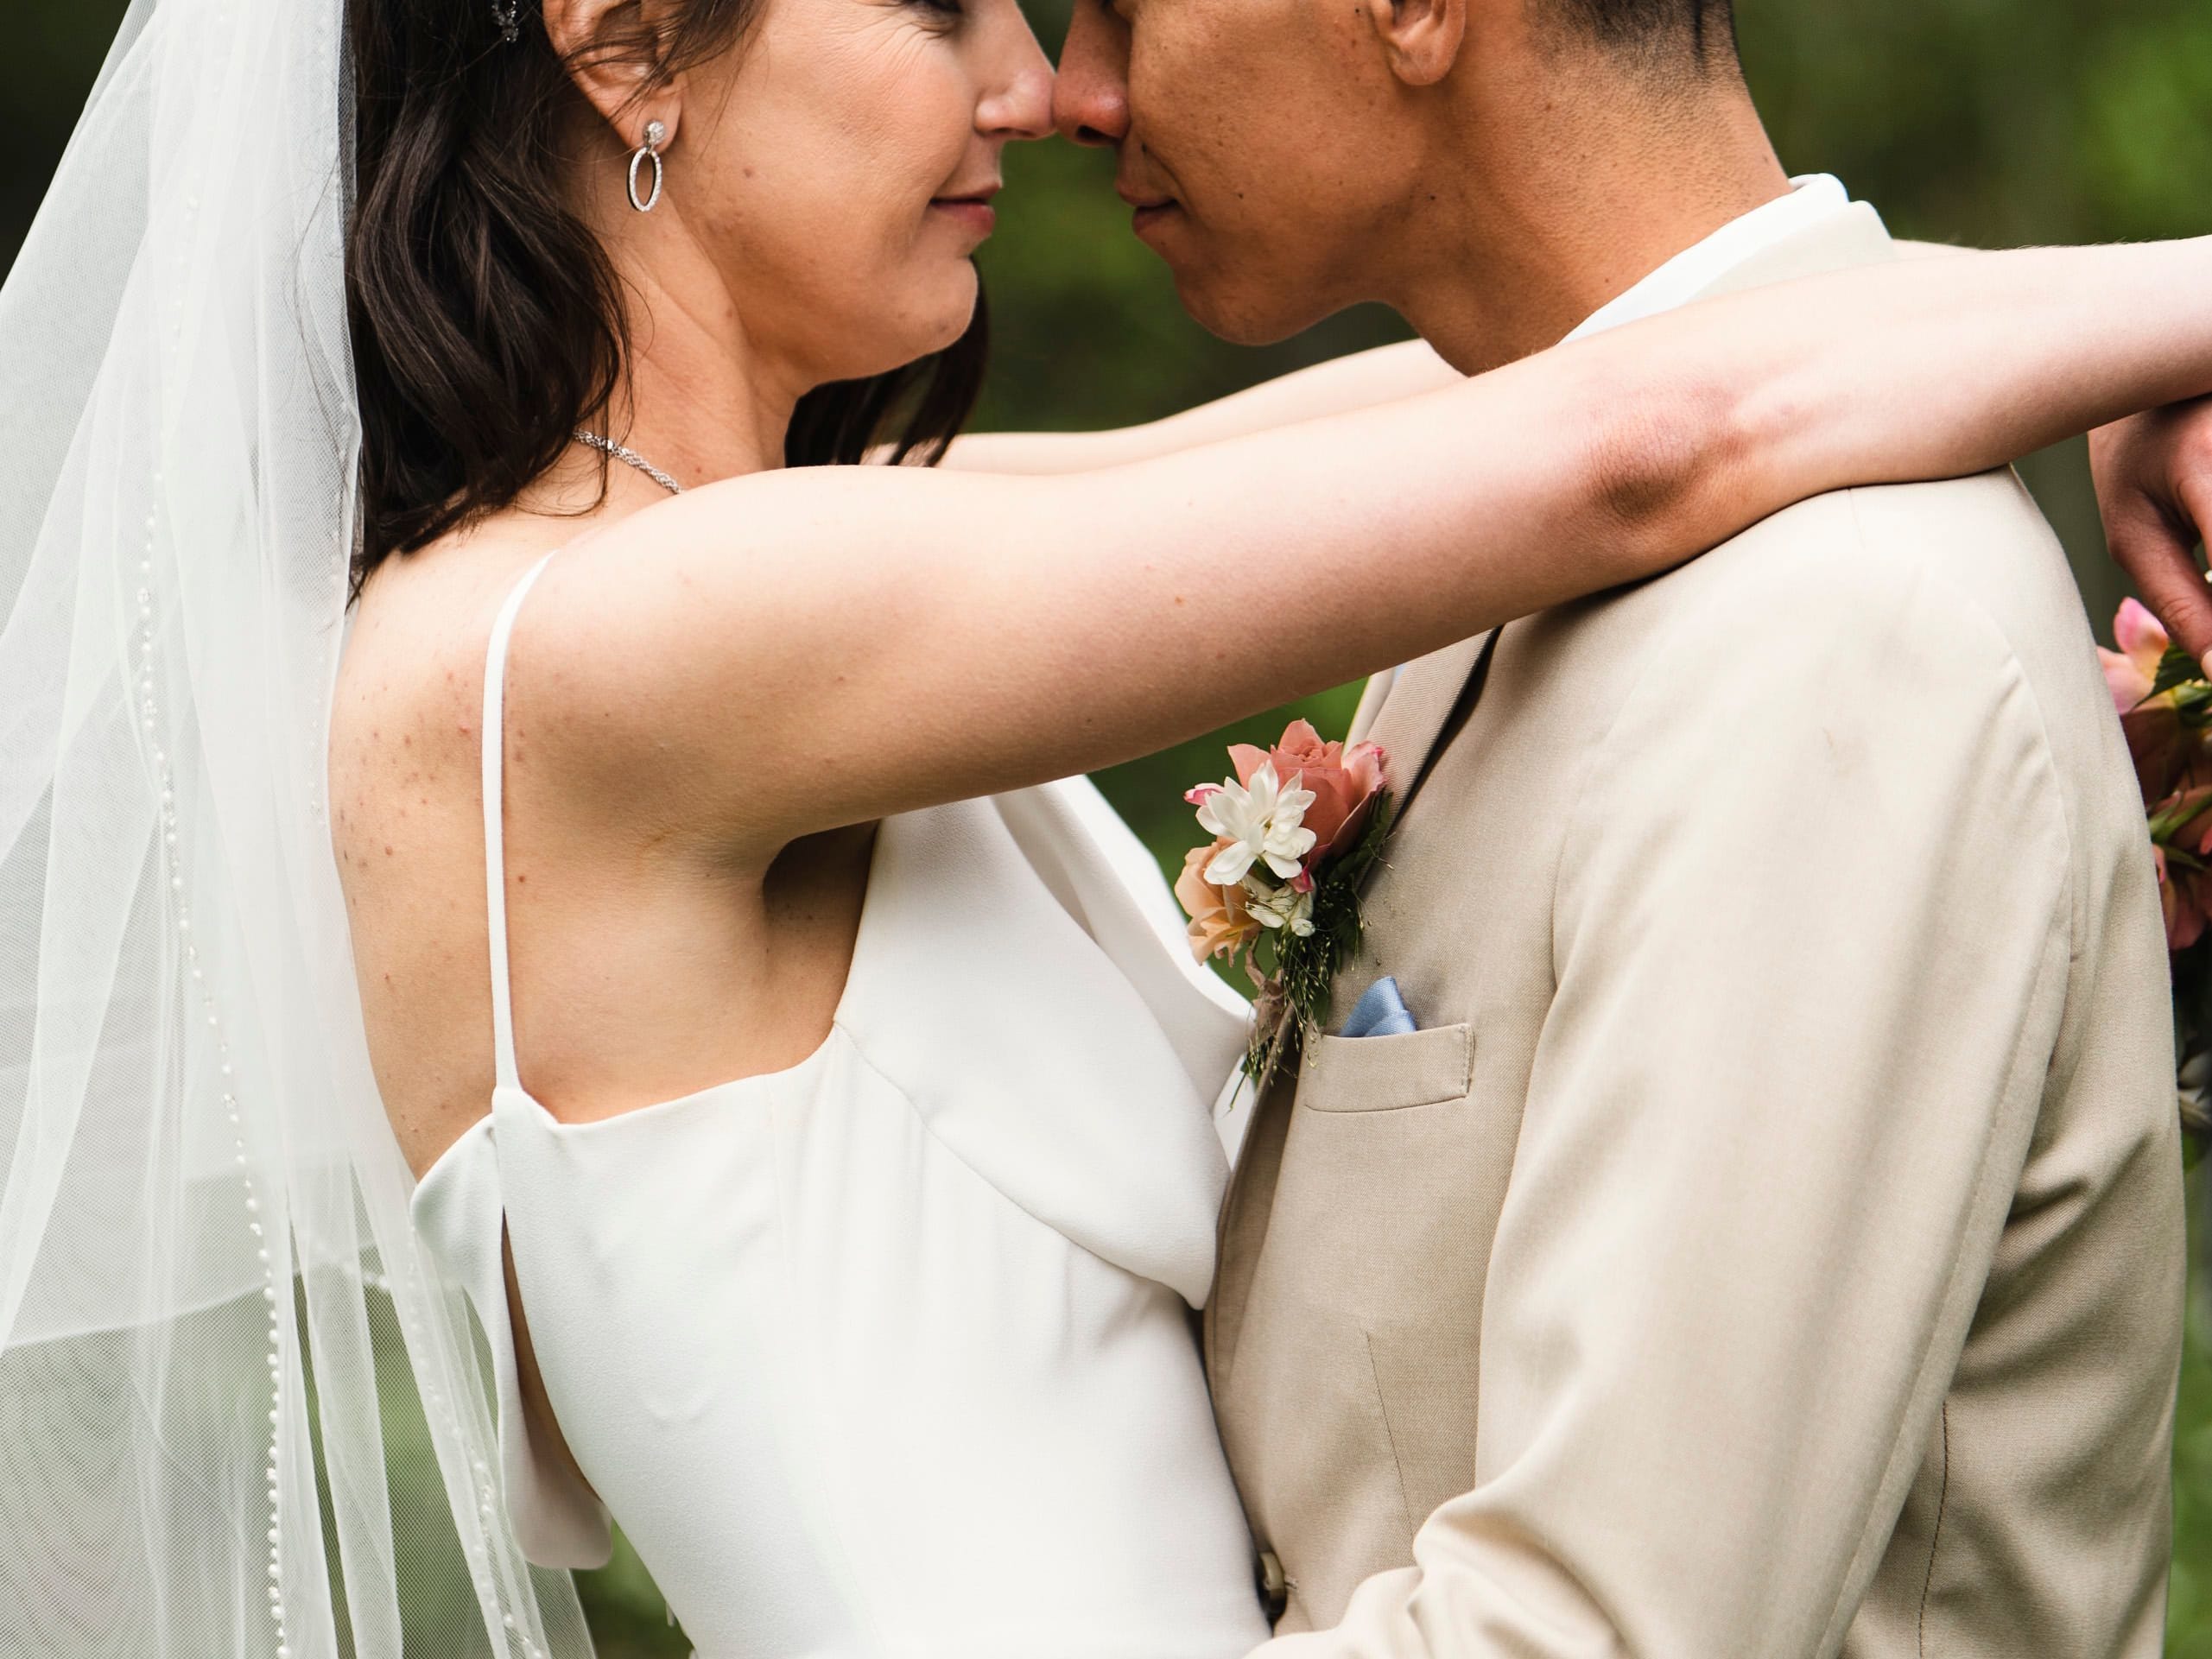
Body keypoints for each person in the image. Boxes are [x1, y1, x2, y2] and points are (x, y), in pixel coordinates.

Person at [3, 2, 2212, 1657]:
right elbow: (1626, 450)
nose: (1031, 82)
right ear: (616, 37)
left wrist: (2072, 336)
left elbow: (1529, 400)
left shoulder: (743, 575)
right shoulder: (592, 658)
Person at [1042, 0, 2198, 1653]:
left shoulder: (1834, 632)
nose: (1077, 94)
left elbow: (1591, 1627)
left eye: (1122, 5)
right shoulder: (1525, 482)